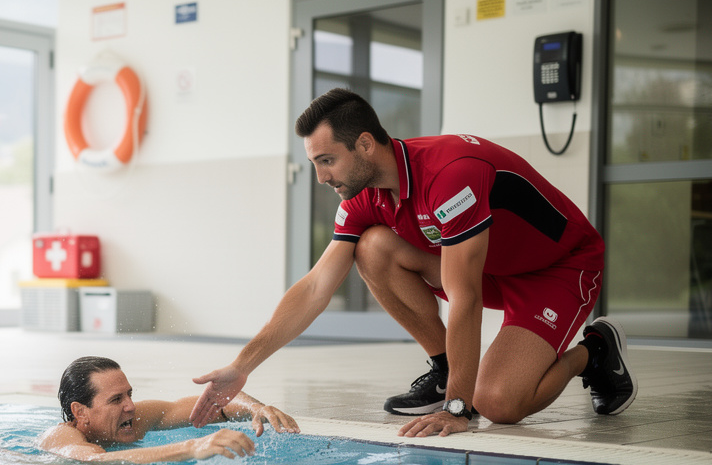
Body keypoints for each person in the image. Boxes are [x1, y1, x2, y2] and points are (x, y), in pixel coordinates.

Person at [190, 88, 636, 438]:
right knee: (372, 247)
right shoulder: (363, 196)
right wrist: (243, 365)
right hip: (488, 268)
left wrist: (458, 408)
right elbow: (315, 287)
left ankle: (595, 351)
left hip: (557, 270)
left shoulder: (449, 176)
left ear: (365, 145)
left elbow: (465, 297)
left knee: (498, 404)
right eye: (315, 163)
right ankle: (444, 369)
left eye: (327, 161)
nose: (322, 177)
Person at [38, 356, 300, 463]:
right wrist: (192, 447)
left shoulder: (132, 419)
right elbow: (95, 461)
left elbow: (210, 404)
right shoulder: (61, 436)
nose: (130, 406)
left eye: (129, 394)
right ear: (80, 412)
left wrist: (254, 407)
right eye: (116, 400)